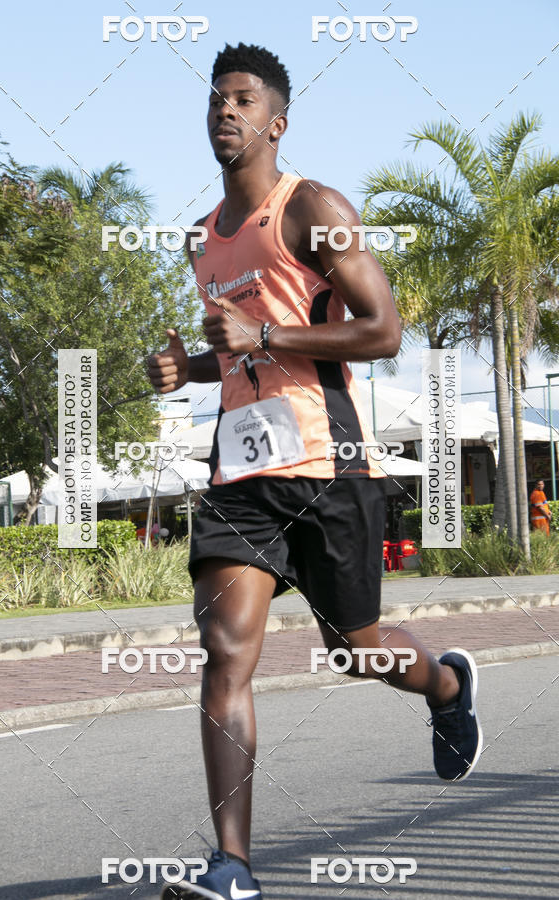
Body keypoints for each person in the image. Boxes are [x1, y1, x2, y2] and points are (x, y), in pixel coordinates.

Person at [147, 43, 483, 900]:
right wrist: (188, 370)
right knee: (225, 653)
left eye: (243, 100)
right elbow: (237, 355)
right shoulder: (202, 240)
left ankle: (445, 685)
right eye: (216, 99)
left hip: (328, 468)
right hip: (240, 480)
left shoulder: (314, 210)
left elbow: (381, 332)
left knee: (356, 652)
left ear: (276, 122)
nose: (226, 110)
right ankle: (233, 869)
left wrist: (261, 337)